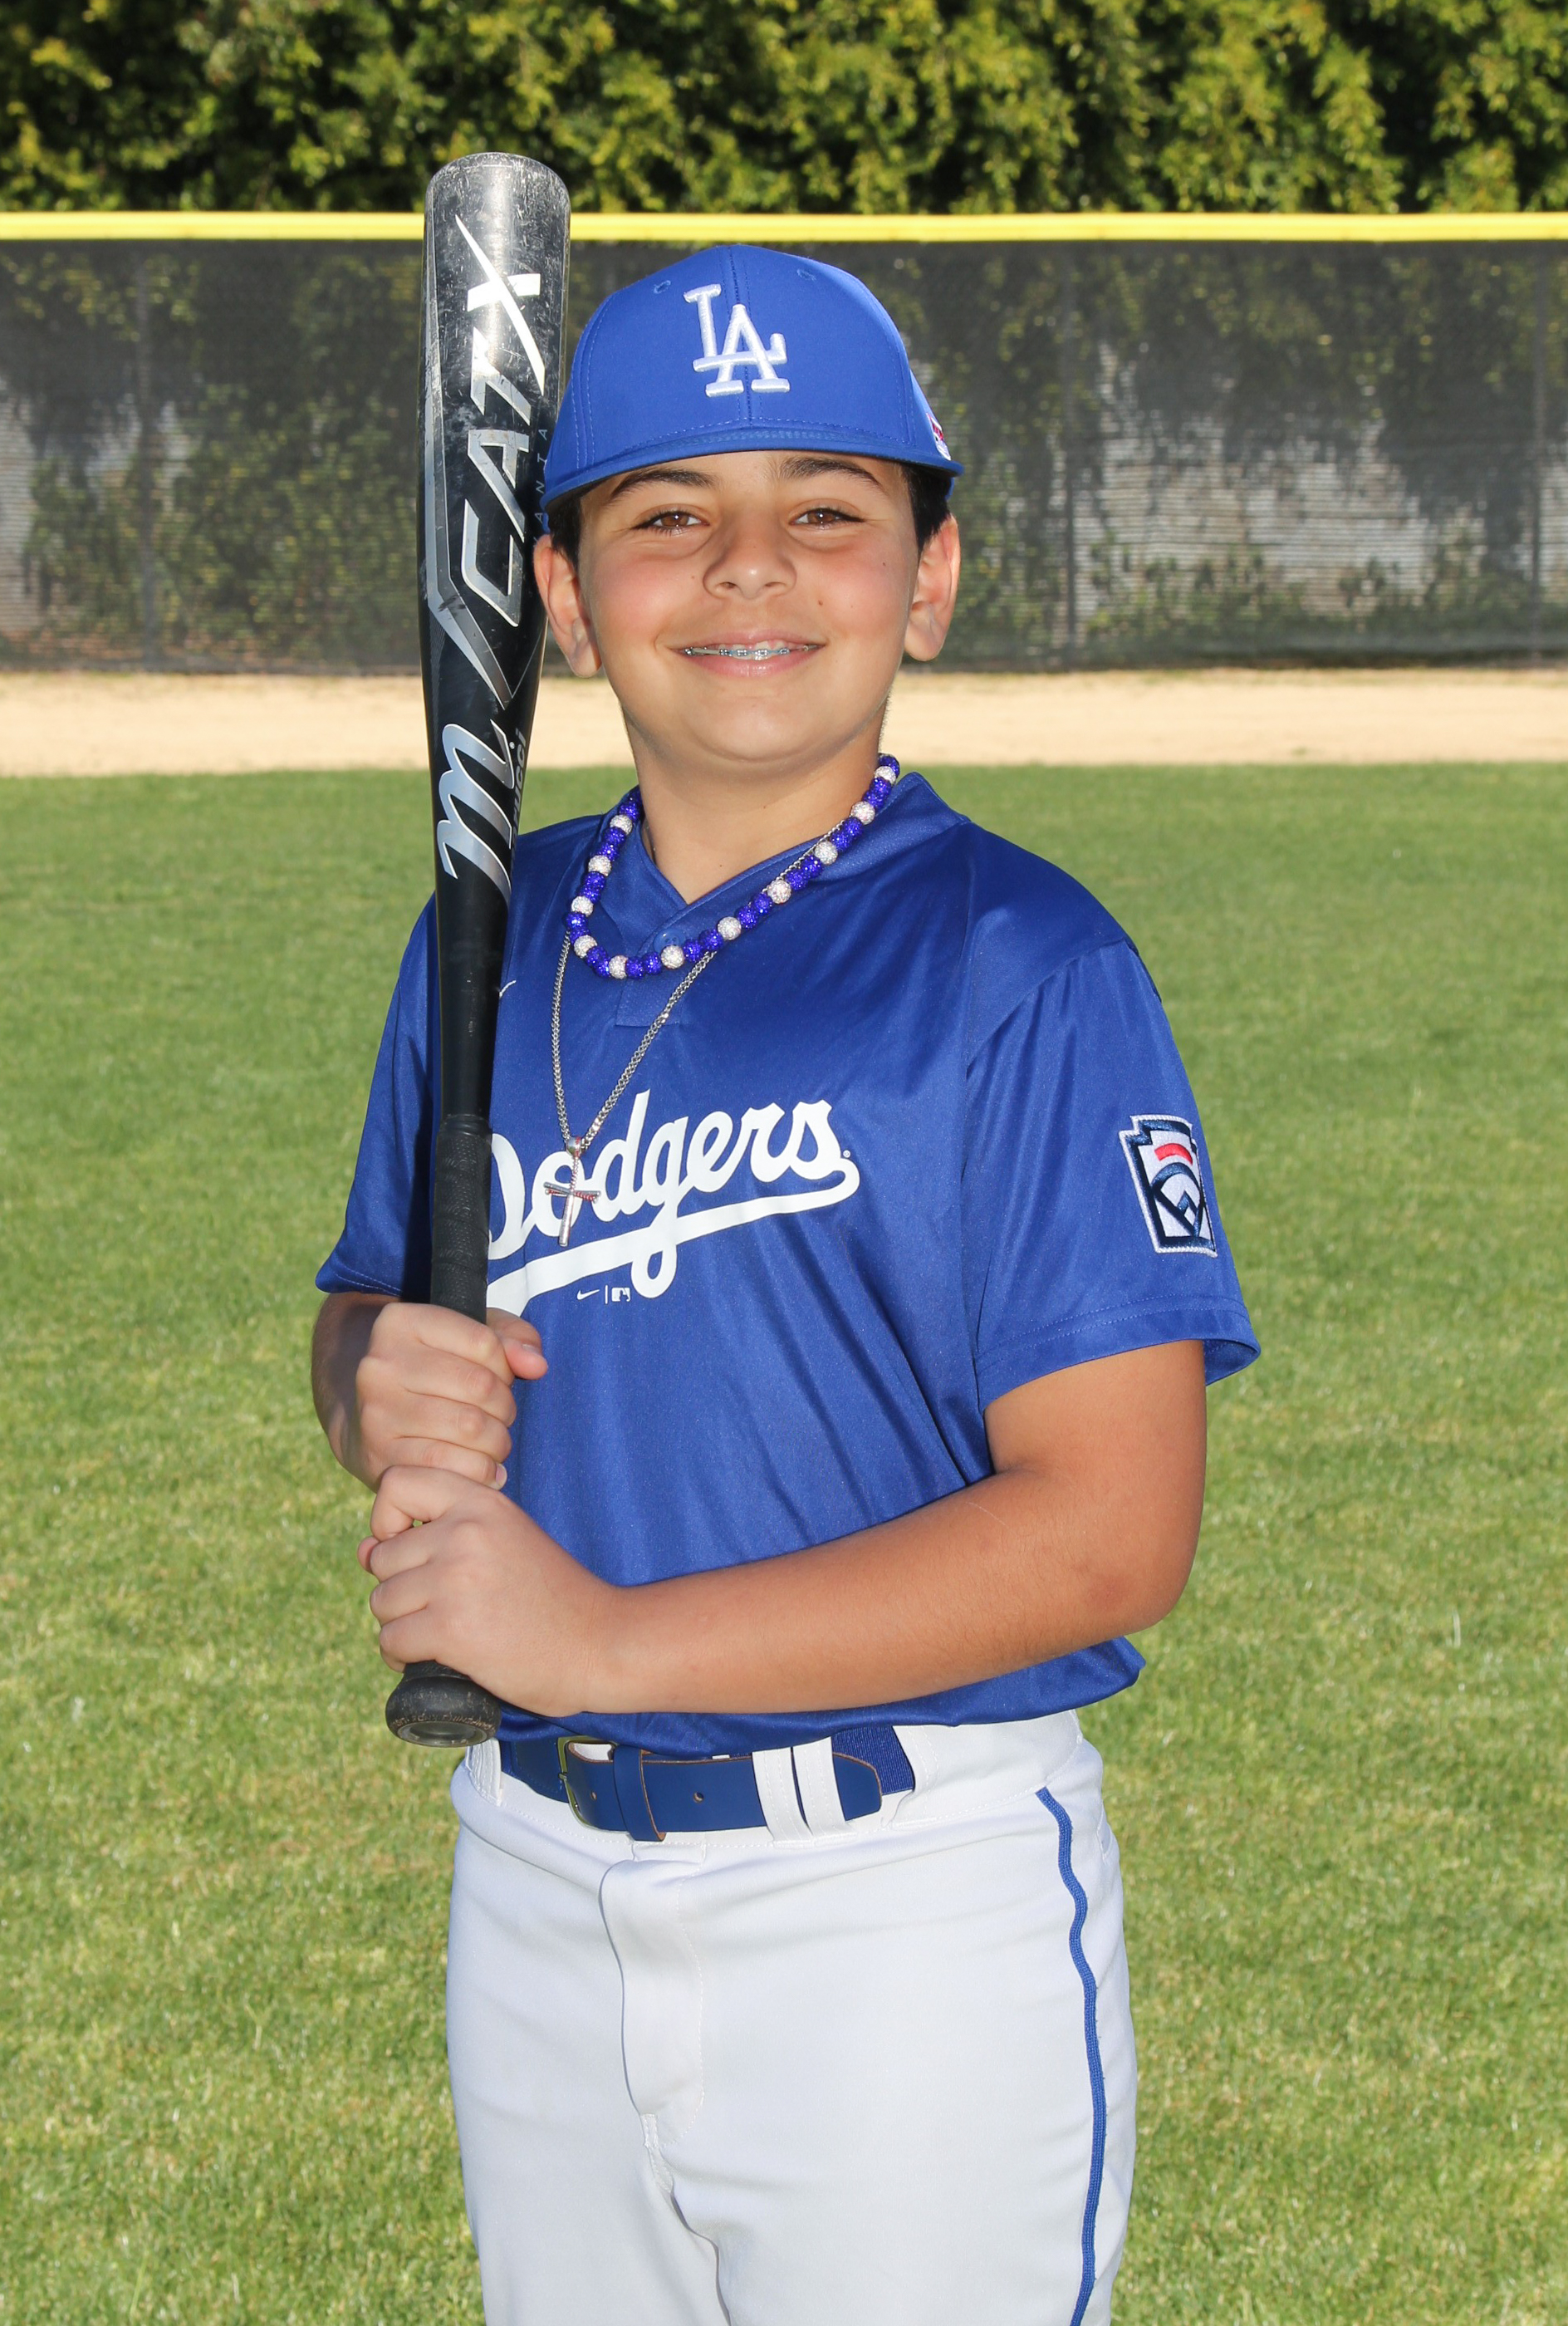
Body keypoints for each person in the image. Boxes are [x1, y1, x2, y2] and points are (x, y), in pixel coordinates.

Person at [311, 246, 1257, 2326]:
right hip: (536, 1880)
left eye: (826, 510)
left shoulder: (1025, 964)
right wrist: (373, 1370)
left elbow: (1112, 1531)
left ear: (929, 578)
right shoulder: (490, 930)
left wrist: (602, 1638)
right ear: (559, 597)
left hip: (898, 1904)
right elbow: (378, 1307)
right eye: (667, 515)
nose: (749, 568)